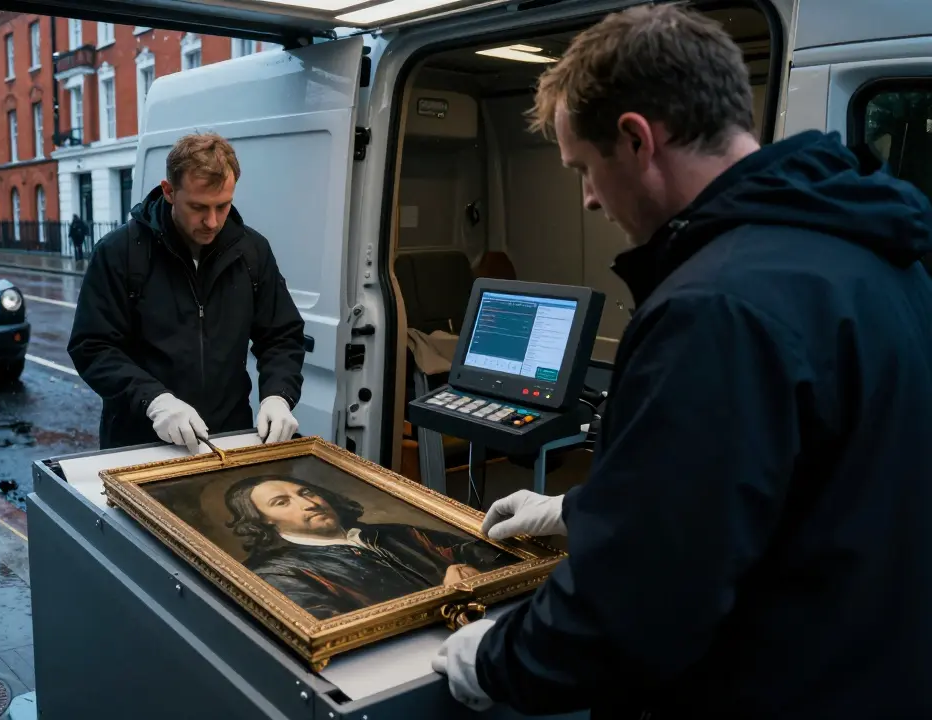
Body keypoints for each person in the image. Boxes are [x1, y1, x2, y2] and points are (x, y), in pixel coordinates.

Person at [432, 5, 932, 718]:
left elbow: (637, 611)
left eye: (584, 168)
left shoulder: (717, 306)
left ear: (636, 140)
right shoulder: (874, 254)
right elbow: (805, 485)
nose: (589, 197)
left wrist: (497, 659)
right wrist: (584, 507)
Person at [69, 133, 306, 453]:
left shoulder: (252, 252)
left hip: (228, 440)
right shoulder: (120, 253)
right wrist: (155, 400)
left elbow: (281, 335)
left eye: (223, 206)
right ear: (169, 192)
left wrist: (278, 395)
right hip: (140, 444)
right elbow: (92, 347)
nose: (212, 221)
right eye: (198, 207)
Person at [224, 474, 516, 620]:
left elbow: (488, 555)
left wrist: (478, 571)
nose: (309, 503)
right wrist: (444, 595)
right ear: (262, 522)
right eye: (281, 502)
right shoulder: (276, 573)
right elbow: (333, 627)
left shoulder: (391, 534)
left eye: (307, 492)